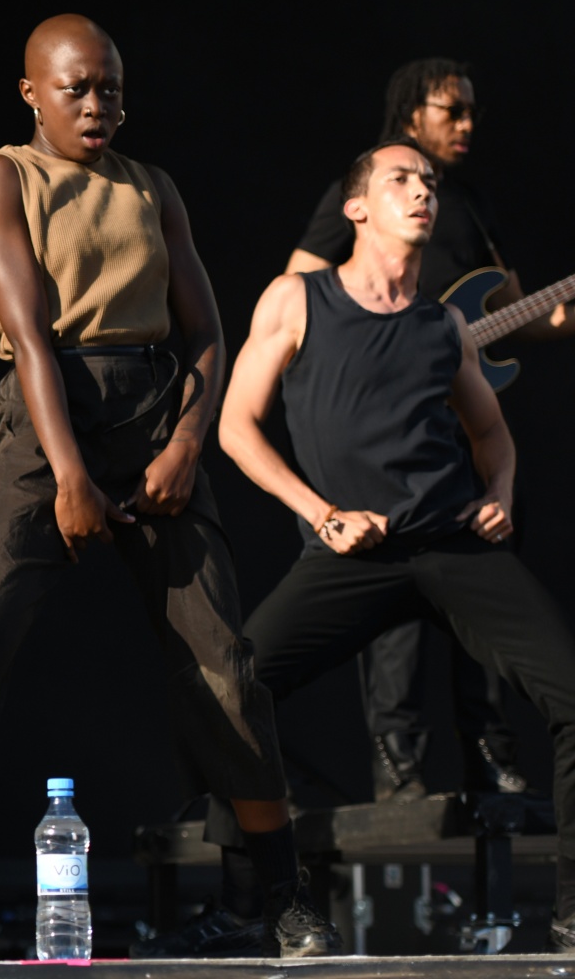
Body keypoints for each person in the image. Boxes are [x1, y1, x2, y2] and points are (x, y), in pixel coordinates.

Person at [0, 15, 338, 960]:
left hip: (152, 411)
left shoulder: (152, 186)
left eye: (112, 88)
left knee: (222, 658)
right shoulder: (1, 177)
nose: (99, 105)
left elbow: (208, 331)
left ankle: (274, 892)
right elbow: (27, 336)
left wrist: (188, 443)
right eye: (77, 89)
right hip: (46, 410)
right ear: (32, 93)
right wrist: (66, 471)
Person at [214, 138, 575, 955]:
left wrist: (501, 497)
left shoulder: (443, 324)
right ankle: (255, 905)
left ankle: (572, 915)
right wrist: (322, 512)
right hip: (351, 553)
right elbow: (237, 428)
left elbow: (493, 435)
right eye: (401, 180)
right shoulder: (296, 299)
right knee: (233, 693)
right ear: (356, 208)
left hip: (451, 544)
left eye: (430, 183)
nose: (422, 193)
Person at [286, 59, 570, 803]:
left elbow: (517, 312)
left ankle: (491, 749)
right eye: (453, 111)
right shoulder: (365, 188)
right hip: (375, 439)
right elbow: (307, 288)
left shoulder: (464, 207)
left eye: (473, 112)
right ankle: (399, 761)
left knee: (486, 586)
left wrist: (537, 318)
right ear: (413, 114)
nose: (467, 126)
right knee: (387, 621)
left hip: (447, 439)